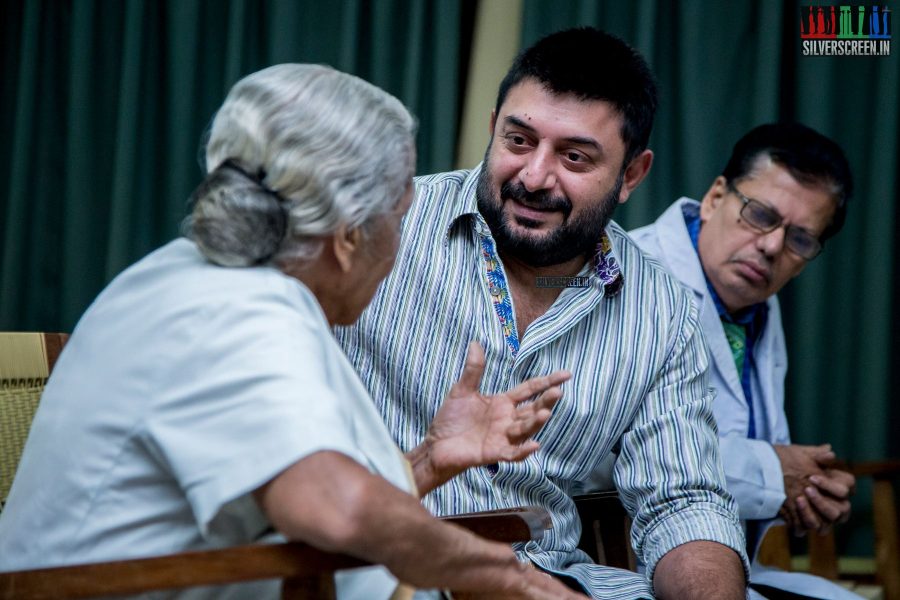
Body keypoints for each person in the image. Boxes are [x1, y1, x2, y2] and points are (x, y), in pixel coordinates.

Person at [0, 64, 588, 600]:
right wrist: (517, 584)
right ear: (348, 235)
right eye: (399, 218)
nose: (399, 246)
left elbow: (290, 488)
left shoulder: (208, 279)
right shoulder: (232, 313)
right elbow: (336, 508)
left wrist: (432, 459)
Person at [336, 28, 749, 599]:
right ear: (492, 128)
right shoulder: (387, 225)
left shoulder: (662, 311)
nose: (533, 177)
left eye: (574, 157)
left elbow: (684, 500)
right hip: (385, 564)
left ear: (632, 174)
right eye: (519, 140)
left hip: (551, 576)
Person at [629, 123, 859, 600]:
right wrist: (776, 474)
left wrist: (808, 490)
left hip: (732, 573)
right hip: (627, 571)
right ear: (715, 197)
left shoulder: (756, 305)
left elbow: (747, 444)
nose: (773, 246)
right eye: (760, 215)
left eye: (800, 240)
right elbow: (618, 449)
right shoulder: (632, 274)